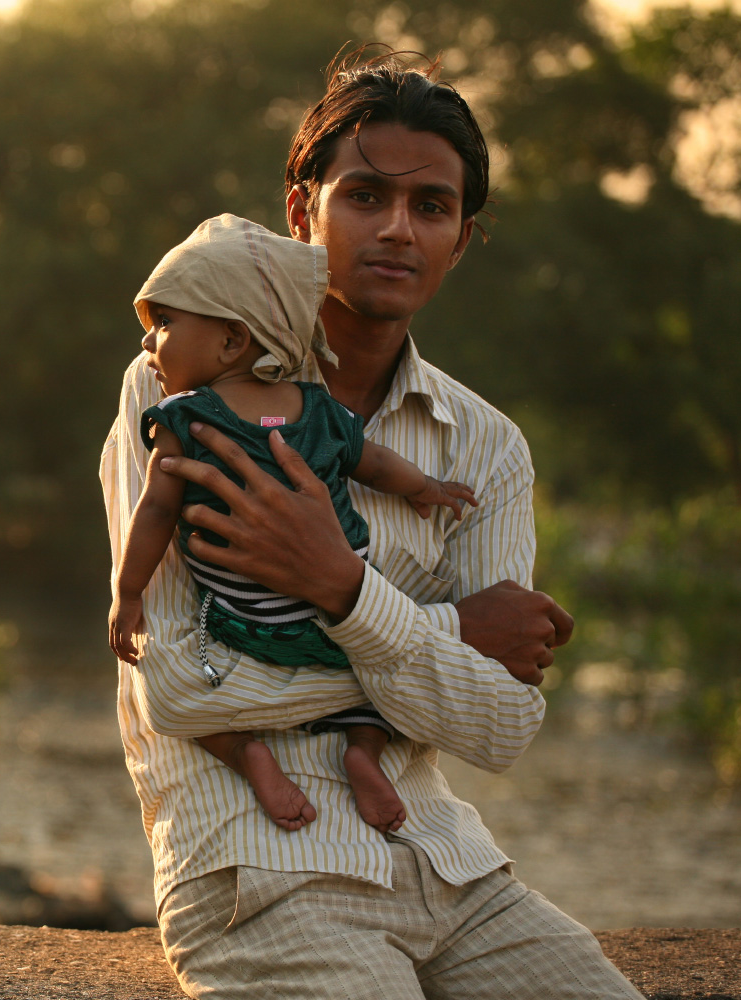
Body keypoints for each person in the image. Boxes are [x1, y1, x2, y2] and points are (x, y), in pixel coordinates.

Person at [99, 50, 645, 998]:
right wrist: (444, 633)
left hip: (451, 871)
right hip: (259, 873)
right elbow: (180, 692)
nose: (397, 229)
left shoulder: (482, 446)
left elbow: (503, 722)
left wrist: (343, 589)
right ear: (302, 211)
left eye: (430, 207)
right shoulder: (179, 387)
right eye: (364, 196)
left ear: (461, 239)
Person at [109, 213, 478, 836]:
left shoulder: (183, 419)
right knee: (380, 691)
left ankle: (249, 753)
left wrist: (128, 593)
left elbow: (154, 509)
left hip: (238, 621)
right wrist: (428, 488)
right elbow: (374, 463)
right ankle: (362, 752)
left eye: (165, 324)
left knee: (185, 706)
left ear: (230, 342)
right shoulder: (319, 411)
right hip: (333, 626)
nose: (149, 344)